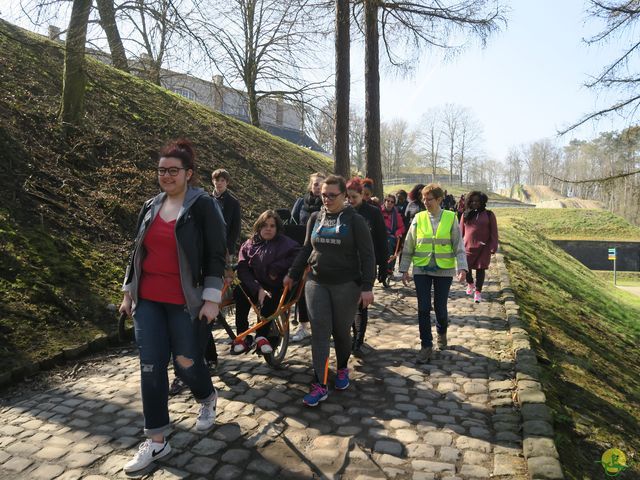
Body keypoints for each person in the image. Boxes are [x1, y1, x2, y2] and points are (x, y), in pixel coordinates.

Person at [119, 139, 226, 474]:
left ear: (188, 174)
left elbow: (215, 253)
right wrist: (128, 292)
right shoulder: (151, 205)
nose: (166, 175)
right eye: (162, 170)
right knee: (150, 368)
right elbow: (137, 252)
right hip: (148, 299)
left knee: (186, 364)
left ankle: (207, 397)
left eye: (173, 170)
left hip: (185, 301)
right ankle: (157, 440)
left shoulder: (203, 206)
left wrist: (211, 298)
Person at [284, 175, 375, 406]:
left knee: (341, 332)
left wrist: (367, 287)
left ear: (344, 196)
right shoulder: (315, 217)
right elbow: (306, 249)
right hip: (316, 282)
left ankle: (342, 367)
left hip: (346, 285)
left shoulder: (355, 221)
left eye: (332, 195)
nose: (326, 199)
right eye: (324, 194)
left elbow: (367, 255)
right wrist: (293, 274)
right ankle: (320, 383)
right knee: (320, 332)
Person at [399, 183, 467, 365]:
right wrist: (404, 269)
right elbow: (409, 244)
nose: (425, 202)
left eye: (429, 199)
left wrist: (462, 268)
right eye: (423, 198)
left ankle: (441, 331)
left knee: (440, 308)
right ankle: (426, 345)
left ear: (439, 200)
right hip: (421, 269)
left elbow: (458, 245)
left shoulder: (450, 217)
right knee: (422, 308)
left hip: (444, 270)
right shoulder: (418, 218)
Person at [231, 210, 301, 353]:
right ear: (258, 227)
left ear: (277, 228)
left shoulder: (286, 243)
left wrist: (276, 267)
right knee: (239, 292)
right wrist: (257, 288)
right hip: (256, 284)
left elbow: (299, 257)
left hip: (277, 286)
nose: (268, 228)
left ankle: (262, 337)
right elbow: (243, 269)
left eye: (272, 226)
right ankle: (243, 335)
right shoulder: (248, 244)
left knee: (269, 299)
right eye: (264, 225)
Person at [346, 177, 388, 354]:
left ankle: (358, 341)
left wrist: (383, 266)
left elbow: (381, 240)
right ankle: (348, 337)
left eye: (354, 197)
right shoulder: (342, 212)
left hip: (364, 265)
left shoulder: (373, 212)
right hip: (345, 265)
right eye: (347, 197)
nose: (350, 201)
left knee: (360, 304)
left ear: (362, 195)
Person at [290, 172, 325, 342]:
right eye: (315, 184)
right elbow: (293, 221)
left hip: (319, 250)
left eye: (320, 184)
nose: (317, 186)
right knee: (301, 287)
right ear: (310, 185)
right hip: (302, 248)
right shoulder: (300, 202)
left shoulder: (327, 203)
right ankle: (303, 325)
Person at [460, 191, 498, 303]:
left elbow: (494, 232)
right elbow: (459, 232)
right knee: (466, 268)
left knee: (480, 270)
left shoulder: (489, 215)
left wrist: (493, 245)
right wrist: (457, 246)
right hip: (467, 247)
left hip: (483, 247)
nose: (475, 203)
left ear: (482, 202)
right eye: (472, 201)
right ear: (469, 202)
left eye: (477, 201)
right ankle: (470, 283)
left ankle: (478, 292)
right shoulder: (465, 215)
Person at [381, 194, 406, 278]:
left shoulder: (396, 215)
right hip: (379, 235)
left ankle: (389, 268)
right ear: (384, 201)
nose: (389, 203)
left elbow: (402, 227)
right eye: (388, 201)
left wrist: (398, 232)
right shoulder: (378, 212)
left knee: (390, 243)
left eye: (392, 202)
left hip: (391, 236)